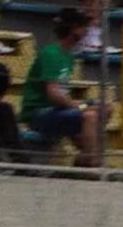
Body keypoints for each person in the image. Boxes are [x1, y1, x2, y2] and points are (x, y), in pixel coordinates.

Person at [20, 9, 105, 165]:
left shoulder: (68, 56)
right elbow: (53, 94)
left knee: (104, 107)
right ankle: (92, 162)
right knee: (90, 115)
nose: (85, 30)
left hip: (57, 110)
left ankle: (85, 156)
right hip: (39, 112)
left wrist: (80, 106)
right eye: (82, 26)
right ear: (73, 29)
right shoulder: (51, 53)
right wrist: (79, 106)